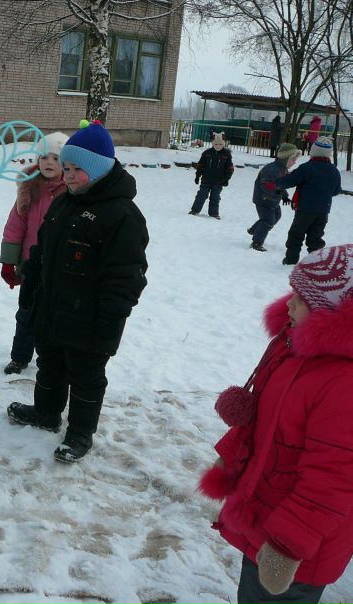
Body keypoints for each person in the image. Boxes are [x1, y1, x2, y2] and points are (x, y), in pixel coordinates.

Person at [199, 243, 353, 604]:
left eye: (300, 298)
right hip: (265, 514)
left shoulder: (343, 384)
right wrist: (230, 458)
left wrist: (287, 545)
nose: (288, 304)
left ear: (330, 313)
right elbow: (264, 421)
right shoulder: (294, 345)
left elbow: (334, 478)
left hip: (299, 546)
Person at [6, 120, 149, 463]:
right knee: (50, 366)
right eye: (66, 168)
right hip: (54, 308)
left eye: (76, 169)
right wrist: (31, 272)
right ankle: (46, 413)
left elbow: (125, 276)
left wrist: (109, 321)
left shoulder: (122, 216)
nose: (67, 175)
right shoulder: (64, 202)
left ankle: (80, 432)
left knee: (85, 377)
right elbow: (43, 248)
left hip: (91, 319)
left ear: (98, 169)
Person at [0, 131, 68, 375]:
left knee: (52, 317)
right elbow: (15, 226)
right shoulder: (29, 189)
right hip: (30, 265)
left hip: (59, 270)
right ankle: (19, 357)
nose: (49, 163)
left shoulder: (69, 194)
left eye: (56, 158)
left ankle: (48, 359)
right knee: (26, 313)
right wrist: (9, 262)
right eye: (44, 157)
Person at [277, 137, 342, 265]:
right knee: (315, 238)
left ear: (313, 151)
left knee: (296, 234)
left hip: (305, 209)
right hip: (323, 211)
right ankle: (318, 263)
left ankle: (291, 259)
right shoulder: (334, 171)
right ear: (329, 154)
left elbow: (290, 180)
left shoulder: (307, 168)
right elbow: (336, 191)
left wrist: (277, 182)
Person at [247, 143, 300, 252]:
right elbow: (266, 184)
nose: (295, 162)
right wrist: (277, 192)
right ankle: (256, 242)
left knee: (277, 216)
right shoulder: (272, 169)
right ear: (285, 158)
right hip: (263, 199)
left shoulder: (283, 169)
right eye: (293, 159)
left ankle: (255, 229)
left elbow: (281, 185)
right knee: (268, 220)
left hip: (273, 200)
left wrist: (284, 196)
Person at [189, 131, 234, 219]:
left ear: (224, 144)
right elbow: (200, 165)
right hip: (206, 179)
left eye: (220, 144)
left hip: (218, 181)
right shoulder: (207, 153)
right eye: (216, 144)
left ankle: (214, 213)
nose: (218, 146)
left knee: (215, 197)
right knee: (201, 195)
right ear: (212, 144)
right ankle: (195, 210)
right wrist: (197, 176)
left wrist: (226, 179)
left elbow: (230, 169)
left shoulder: (226, 155)